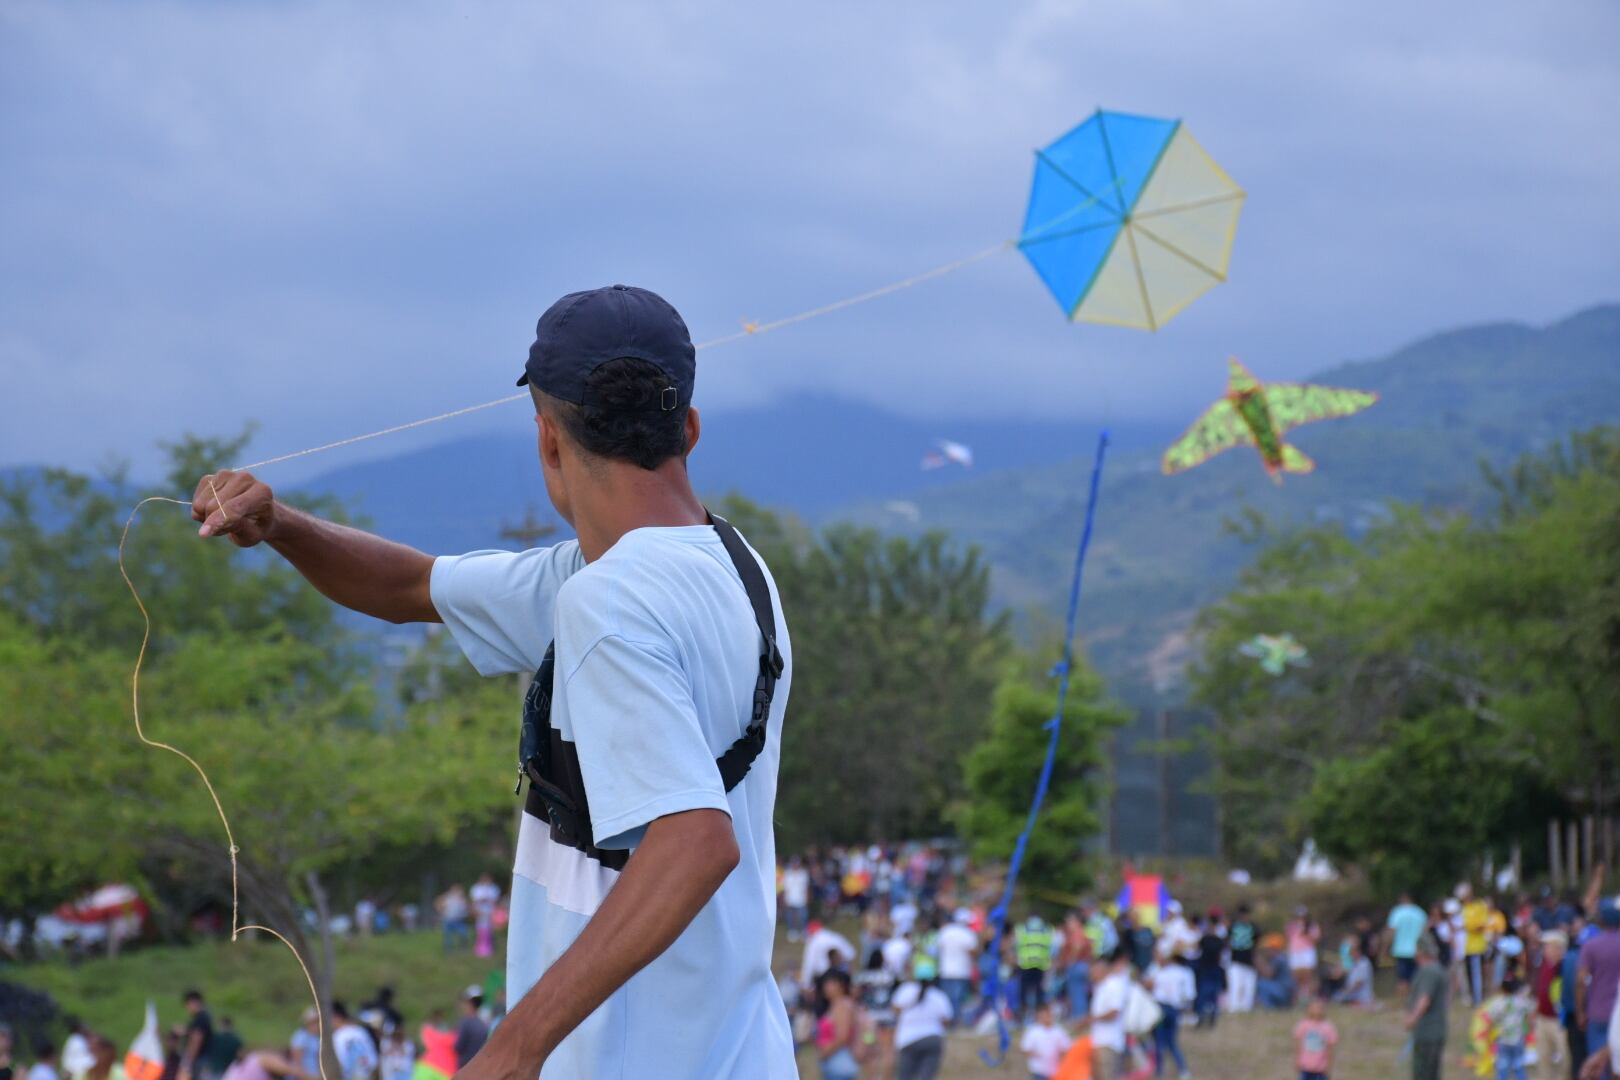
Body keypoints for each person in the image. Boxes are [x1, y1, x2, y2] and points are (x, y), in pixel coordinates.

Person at [191, 286, 795, 1079]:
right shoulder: (735, 570)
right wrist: (282, 526)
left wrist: (513, 1048)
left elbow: (694, 842)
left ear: (547, 441)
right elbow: (409, 588)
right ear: (687, 427)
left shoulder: (608, 599)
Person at [892, 966, 953, 1080]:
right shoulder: (939, 995)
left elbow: (895, 1010)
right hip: (932, 1039)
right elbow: (946, 1020)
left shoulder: (905, 990)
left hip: (907, 1040)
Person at [1578, 901, 1620, 1067]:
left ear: (1601, 922)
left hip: (1598, 1012)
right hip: (1617, 1012)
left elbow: (1581, 981)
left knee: (1597, 1064)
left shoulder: (1591, 946)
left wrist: (1580, 1011)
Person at [1405, 937, 1449, 1080]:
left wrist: (1412, 1019)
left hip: (1427, 1031)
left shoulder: (1428, 971)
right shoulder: (1439, 969)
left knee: (1423, 1073)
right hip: (1437, 1030)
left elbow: (1424, 999)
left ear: (1420, 952)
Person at [1146, 954, 1192, 1080]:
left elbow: (1149, 986)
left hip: (1161, 1010)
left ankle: (1159, 1071)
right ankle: (1183, 1070)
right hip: (1174, 1010)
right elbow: (1187, 993)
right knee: (1172, 1043)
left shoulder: (1160, 973)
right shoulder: (1182, 973)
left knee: (1159, 1042)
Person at [1091, 950, 1133, 1080]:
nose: (1091, 974)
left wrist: (1090, 1019)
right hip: (1101, 1041)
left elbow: (1114, 1012)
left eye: (1093, 971)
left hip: (1110, 1042)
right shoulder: (1101, 987)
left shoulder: (1113, 986)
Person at [1535, 931, 1570, 1080]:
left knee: (1565, 1058)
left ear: (1559, 949)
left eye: (1548, 947)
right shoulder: (1544, 965)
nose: (1545, 950)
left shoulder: (1565, 967)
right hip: (1542, 1018)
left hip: (1559, 1021)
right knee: (1543, 1056)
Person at [1486, 975, 1535, 1080]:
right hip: (1518, 1038)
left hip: (1503, 1039)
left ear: (1502, 989)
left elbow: (1490, 1021)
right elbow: (1530, 1016)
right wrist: (1530, 1030)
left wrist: (1489, 1036)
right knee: (1519, 1065)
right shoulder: (1522, 1001)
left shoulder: (1497, 1003)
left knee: (1502, 1066)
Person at [815, 970, 860, 1080]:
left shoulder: (842, 1005)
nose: (826, 987)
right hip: (835, 1061)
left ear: (841, 985)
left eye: (829, 983)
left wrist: (825, 1053)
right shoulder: (836, 1005)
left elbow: (842, 1037)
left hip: (838, 1061)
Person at [937, 909, 979, 1022]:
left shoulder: (945, 931)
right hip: (961, 971)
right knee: (957, 1000)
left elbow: (938, 948)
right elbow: (973, 952)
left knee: (947, 1000)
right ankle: (955, 1022)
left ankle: (948, 1022)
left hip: (945, 970)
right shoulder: (968, 934)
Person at [1015, 915, 1056, 1019]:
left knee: (1023, 993)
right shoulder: (1046, 930)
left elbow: (1017, 945)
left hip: (1025, 965)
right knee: (1039, 993)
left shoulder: (1022, 929)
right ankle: (1039, 1016)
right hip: (1041, 966)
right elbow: (1052, 948)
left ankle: (1023, 1015)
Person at [1020, 1002, 1073, 1080]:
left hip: (1056, 1071)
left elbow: (1067, 1048)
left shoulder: (1058, 1031)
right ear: (1038, 1016)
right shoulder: (1033, 1031)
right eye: (1044, 1015)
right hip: (1039, 1070)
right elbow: (1025, 1048)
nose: (1047, 1017)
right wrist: (1036, 1054)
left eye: (1048, 1014)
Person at [1388, 892, 1429, 992]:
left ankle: (1405, 1002)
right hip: (1417, 951)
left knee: (1403, 979)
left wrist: (1387, 947)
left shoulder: (1397, 912)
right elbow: (1425, 931)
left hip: (1401, 950)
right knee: (1417, 978)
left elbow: (1392, 931)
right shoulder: (1420, 912)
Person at [802, 921, 858, 989]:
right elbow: (851, 954)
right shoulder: (834, 936)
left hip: (825, 979)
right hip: (842, 976)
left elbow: (809, 965)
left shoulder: (814, 941)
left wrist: (806, 985)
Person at [1192, 914, 1226, 1028]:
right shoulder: (1219, 940)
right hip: (1212, 970)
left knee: (1205, 994)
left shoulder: (1205, 939)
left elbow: (1197, 950)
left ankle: (1205, 1017)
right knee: (1211, 995)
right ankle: (1209, 1017)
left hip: (1208, 970)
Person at [1294, 997, 1338, 1080]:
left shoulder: (1328, 1027)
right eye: (1314, 1008)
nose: (1317, 1010)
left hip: (1321, 1067)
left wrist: (1329, 1065)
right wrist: (1297, 1060)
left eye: (1319, 1008)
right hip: (1305, 1066)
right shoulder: (1303, 1025)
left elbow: (1330, 1047)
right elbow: (1298, 1044)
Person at [330, 1003, 377, 1080]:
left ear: (337, 1017)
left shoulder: (337, 1036)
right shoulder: (361, 1031)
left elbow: (339, 1062)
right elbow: (373, 1061)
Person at [1227, 904, 1259, 1014]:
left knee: (1248, 988)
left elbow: (1257, 943)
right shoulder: (1232, 927)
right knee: (1235, 986)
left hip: (1249, 962)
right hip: (1236, 961)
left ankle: (1246, 1009)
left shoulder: (1253, 927)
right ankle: (1234, 1008)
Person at [1464, 885, 1492, 1005]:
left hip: (1478, 947)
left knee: (1478, 975)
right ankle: (1475, 998)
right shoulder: (1466, 908)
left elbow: (1482, 925)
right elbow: (1470, 926)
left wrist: (1474, 926)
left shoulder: (1480, 906)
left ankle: (1479, 999)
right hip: (1468, 947)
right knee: (1471, 975)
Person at [1287, 908, 1322, 1001]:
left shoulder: (1312, 926)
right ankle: (1298, 996)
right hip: (1295, 952)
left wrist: (1306, 933)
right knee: (1297, 976)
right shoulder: (1292, 926)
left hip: (1307, 951)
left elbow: (1316, 939)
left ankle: (1309, 996)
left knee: (1308, 975)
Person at [179, 992, 213, 1080]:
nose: (188, 1008)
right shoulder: (204, 1017)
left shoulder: (201, 1018)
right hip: (200, 1060)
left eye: (187, 1004)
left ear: (194, 1002)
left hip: (198, 1060)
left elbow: (196, 1039)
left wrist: (189, 1060)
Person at [1332, 938, 1375, 1007]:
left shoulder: (1364, 964)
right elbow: (1337, 974)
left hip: (1360, 997)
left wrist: (1344, 993)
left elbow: (1358, 984)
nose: (1350, 955)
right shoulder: (1353, 963)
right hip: (1352, 994)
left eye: (1351, 952)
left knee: (1338, 997)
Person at [454, 989, 490, 1070]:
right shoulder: (483, 1024)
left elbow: (458, 1047)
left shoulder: (465, 1023)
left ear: (469, 1003)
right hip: (480, 1068)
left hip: (465, 1069)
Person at [469, 873, 501, 959]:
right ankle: (479, 948)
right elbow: (474, 901)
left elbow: (495, 901)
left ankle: (488, 948)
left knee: (489, 931)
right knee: (480, 930)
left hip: (489, 912)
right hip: (479, 912)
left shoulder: (493, 888)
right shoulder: (476, 888)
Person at [782, 857, 811, 943]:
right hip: (790, 899)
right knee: (790, 917)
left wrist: (807, 897)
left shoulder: (803, 874)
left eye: (796, 863)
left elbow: (806, 887)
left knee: (803, 916)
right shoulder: (787, 873)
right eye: (794, 863)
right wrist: (785, 898)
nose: (795, 865)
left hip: (801, 899)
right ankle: (792, 932)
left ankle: (803, 932)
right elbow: (785, 888)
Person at [436, 886, 471, 953]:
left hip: (460, 920)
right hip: (448, 920)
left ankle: (463, 949)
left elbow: (468, 908)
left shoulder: (463, 900)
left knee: (464, 934)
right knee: (448, 938)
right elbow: (438, 903)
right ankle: (448, 951)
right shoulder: (447, 898)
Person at [286, 1011, 320, 1080]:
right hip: (303, 1075)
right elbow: (297, 1060)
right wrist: (302, 1075)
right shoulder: (300, 1037)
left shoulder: (315, 1038)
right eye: (315, 1023)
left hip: (314, 1075)